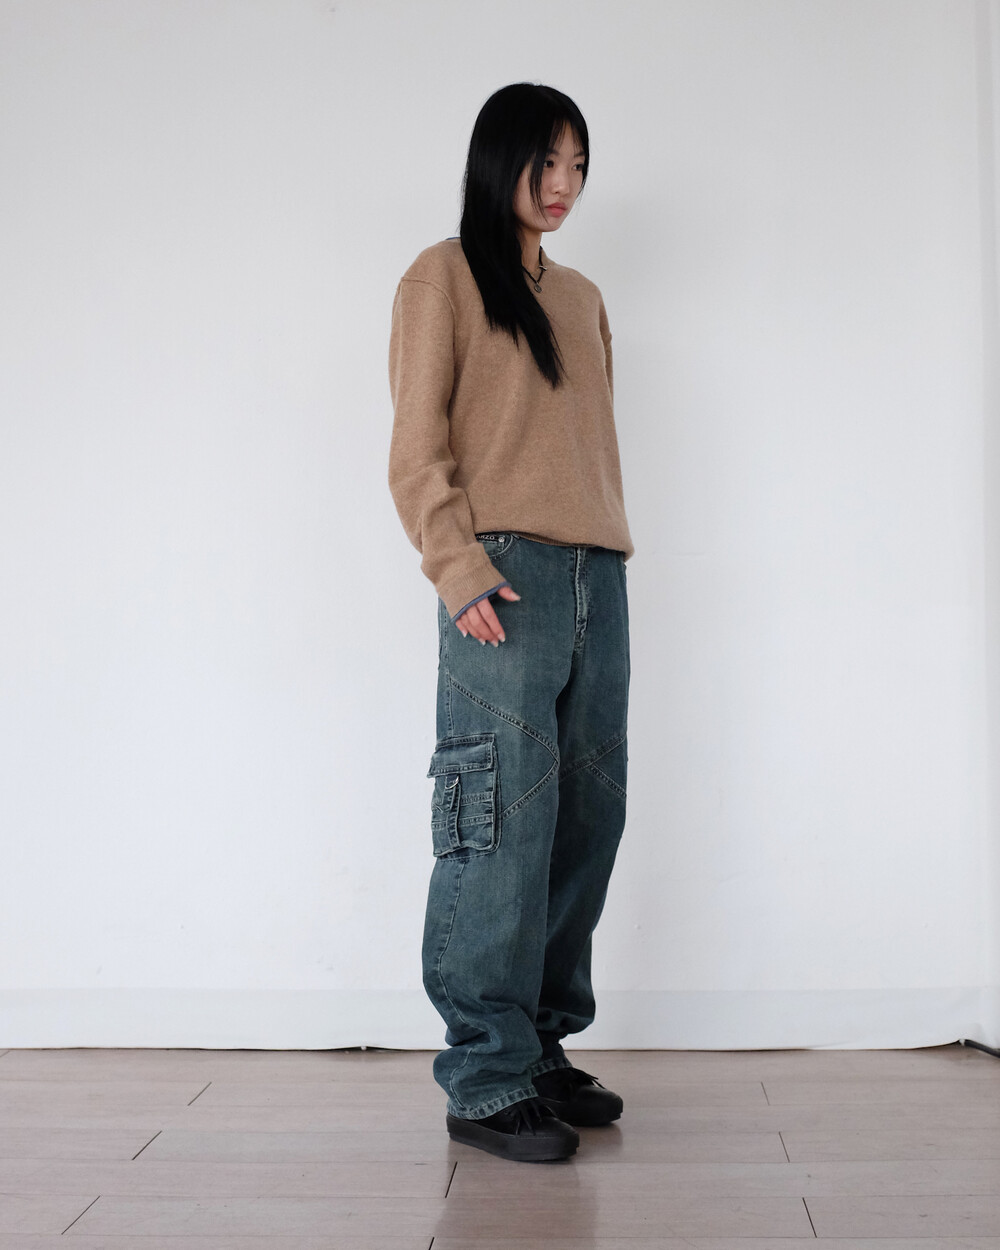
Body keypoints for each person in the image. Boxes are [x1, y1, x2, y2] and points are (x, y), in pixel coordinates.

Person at [388, 82, 633, 1163]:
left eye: (578, 165)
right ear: (501, 161)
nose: (564, 184)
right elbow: (416, 447)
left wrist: (602, 566)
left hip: (596, 575)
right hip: (502, 576)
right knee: (496, 819)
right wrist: (460, 569)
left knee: (586, 818)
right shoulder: (442, 276)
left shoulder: (581, 297)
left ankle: (538, 1044)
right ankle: (486, 1074)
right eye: (546, 162)